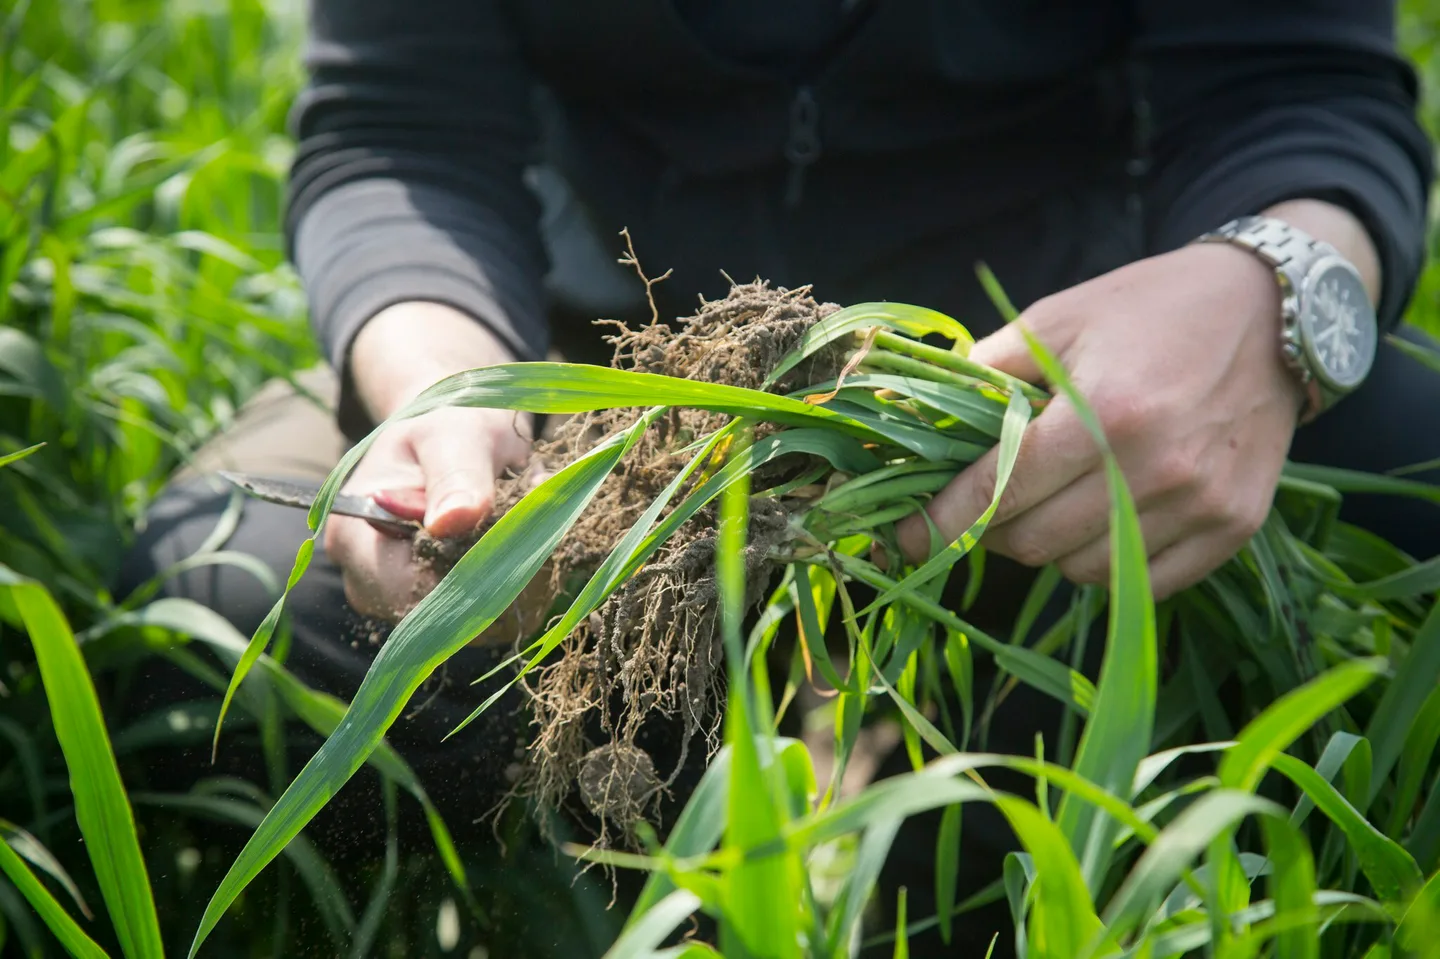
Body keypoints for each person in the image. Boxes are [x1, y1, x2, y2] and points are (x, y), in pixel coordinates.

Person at [118, 1, 1439, 955]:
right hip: (594, 382)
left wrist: (1271, 290)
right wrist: (447, 398)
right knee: (228, 583)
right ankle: (589, 822)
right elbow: (400, 129)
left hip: (1059, 382)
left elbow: (1292, 83)